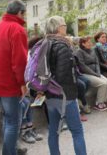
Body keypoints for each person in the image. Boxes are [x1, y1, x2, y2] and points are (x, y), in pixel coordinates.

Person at [0, 0, 28, 155]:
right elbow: (19, 61)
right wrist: (23, 83)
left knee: (7, 119)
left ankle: (12, 149)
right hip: (9, 83)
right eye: (25, 13)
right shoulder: (17, 29)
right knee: (13, 122)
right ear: (20, 12)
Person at [44, 16, 87, 155]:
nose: (66, 27)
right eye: (64, 25)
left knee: (53, 130)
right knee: (77, 131)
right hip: (65, 95)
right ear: (58, 28)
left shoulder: (44, 43)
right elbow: (64, 74)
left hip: (49, 94)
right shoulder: (62, 45)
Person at [75, 37, 107, 111]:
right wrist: (94, 74)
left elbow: (97, 63)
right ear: (83, 44)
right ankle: (98, 104)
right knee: (103, 84)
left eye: (90, 42)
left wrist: (98, 72)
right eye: (88, 42)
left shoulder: (92, 50)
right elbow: (83, 66)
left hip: (96, 73)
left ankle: (103, 101)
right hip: (86, 73)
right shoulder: (79, 52)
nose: (90, 43)